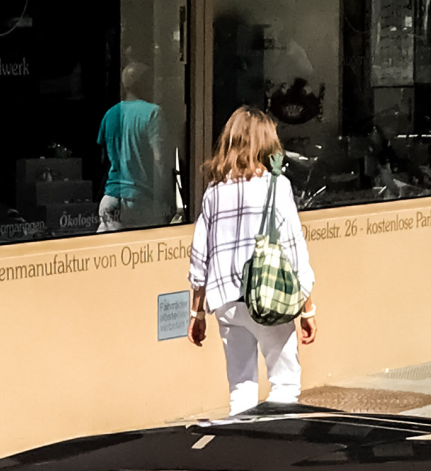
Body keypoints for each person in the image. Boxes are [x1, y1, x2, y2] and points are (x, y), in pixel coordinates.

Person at [187, 108, 318, 413]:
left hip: (226, 301)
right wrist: (308, 308)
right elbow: (294, 247)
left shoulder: (214, 191)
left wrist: (197, 312)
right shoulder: (277, 185)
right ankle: (275, 446)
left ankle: (239, 449)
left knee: (241, 388)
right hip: (269, 297)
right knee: (285, 384)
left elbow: (199, 256)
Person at [97, 64, 168, 232]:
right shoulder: (153, 113)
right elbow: (160, 160)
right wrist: (165, 198)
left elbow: (103, 160)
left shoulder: (110, 114)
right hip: (139, 202)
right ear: (144, 84)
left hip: (110, 198)